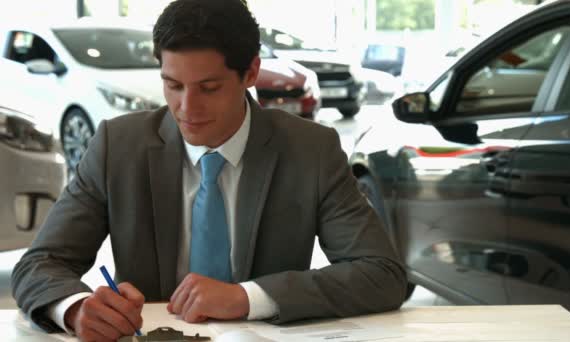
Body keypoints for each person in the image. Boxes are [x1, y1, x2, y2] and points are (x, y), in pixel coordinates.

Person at [11, 0, 408, 340]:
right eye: (173, 85)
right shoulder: (118, 146)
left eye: (209, 88)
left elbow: (382, 275)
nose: (186, 108)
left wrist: (248, 297)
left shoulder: (310, 150)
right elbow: (39, 265)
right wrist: (77, 308)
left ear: (251, 73)